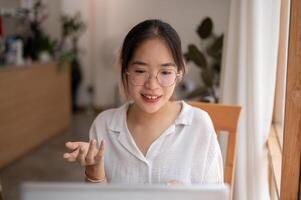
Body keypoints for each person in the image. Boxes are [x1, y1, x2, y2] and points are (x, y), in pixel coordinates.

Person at [63, 19, 223, 185]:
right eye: (140, 71)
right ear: (125, 70)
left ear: (179, 72)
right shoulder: (104, 125)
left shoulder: (199, 124)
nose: (152, 85)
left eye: (165, 72)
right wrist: (94, 173)